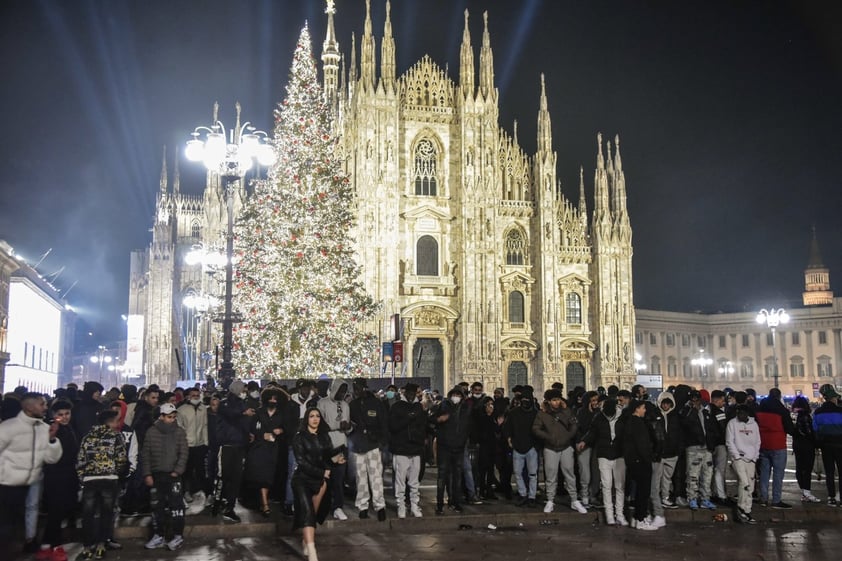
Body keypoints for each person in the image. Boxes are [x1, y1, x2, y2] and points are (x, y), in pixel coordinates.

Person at [0, 393, 62, 555]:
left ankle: (26, 543)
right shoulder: (9, 427)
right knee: (7, 524)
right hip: (7, 484)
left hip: (32, 482)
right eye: (42, 404)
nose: (46, 407)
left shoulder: (43, 429)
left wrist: (52, 440)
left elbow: (51, 458)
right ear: (29, 407)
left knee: (24, 517)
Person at [292, 407, 344, 561]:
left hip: (320, 482)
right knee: (308, 512)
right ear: (306, 419)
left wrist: (336, 460)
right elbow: (301, 462)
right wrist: (322, 472)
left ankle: (305, 541)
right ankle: (312, 550)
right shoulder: (299, 438)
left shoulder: (324, 437)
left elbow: (327, 458)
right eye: (311, 416)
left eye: (318, 416)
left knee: (312, 515)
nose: (315, 419)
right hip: (301, 480)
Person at [76, 410, 128, 560]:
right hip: (109, 479)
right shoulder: (116, 437)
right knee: (106, 513)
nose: (118, 424)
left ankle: (87, 546)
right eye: (116, 421)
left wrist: (83, 477)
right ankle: (101, 545)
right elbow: (121, 458)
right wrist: (115, 472)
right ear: (109, 422)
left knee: (88, 514)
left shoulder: (87, 437)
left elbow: (80, 459)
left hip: (90, 480)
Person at [532, 389, 586, 514]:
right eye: (554, 400)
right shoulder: (542, 414)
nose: (556, 402)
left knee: (569, 474)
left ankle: (574, 499)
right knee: (551, 475)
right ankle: (550, 500)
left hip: (566, 446)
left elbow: (574, 425)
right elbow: (535, 429)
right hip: (550, 447)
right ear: (548, 401)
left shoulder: (566, 411)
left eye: (558, 399)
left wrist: (568, 435)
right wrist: (548, 437)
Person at [38, 400, 79, 561]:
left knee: (58, 513)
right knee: (56, 512)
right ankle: (55, 547)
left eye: (67, 414)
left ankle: (46, 546)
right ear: (53, 415)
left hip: (68, 475)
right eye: (60, 415)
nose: (64, 417)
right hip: (56, 476)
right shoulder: (53, 430)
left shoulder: (69, 429)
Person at [578, 398, 627, 526]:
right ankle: (610, 515)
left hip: (619, 454)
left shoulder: (623, 417)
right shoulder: (599, 417)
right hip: (604, 454)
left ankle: (620, 515)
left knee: (619, 486)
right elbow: (592, 432)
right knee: (606, 485)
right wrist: (584, 441)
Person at [214, 380, 255, 522]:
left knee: (236, 477)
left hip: (239, 445)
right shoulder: (226, 403)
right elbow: (231, 414)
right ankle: (219, 502)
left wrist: (247, 433)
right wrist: (243, 412)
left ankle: (229, 506)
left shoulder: (241, 403)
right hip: (227, 445)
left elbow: (242, 422)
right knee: (224, 476)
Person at [348, 378, 388, 520]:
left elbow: (384, 424)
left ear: (364, 388)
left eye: (358, 388)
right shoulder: (352, 405)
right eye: (354, 388)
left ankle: (380, 506)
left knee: (376, 477)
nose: (356, 391)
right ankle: (363, 506)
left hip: (373, 445)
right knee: (361, 478)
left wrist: (382, 442)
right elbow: (350, 425)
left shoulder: (376, 404)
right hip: (358, 445)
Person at [246, 387, 288, 517]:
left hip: (274, 449)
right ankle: (264, 504)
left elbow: (287, 429)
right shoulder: (258, 413)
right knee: (260, 474)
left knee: (270, 475)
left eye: (275, 399)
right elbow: (251, 429)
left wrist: (281, 431)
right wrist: (261, 434)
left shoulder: (282, 414)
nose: (272, 401)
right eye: (270, 398)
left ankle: (264, 500)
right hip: (259, 448)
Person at [388, 382, 427, 518]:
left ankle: (414, 506)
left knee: (414, 481)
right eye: (409, 393)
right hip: (401, 448)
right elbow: (393, 426)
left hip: (415, 448)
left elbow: (423, 426)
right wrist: (408, 418)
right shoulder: (397, 407)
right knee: (400, 480)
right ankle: (401, 506)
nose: (411, 396)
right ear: (404, 393)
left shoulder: (418, 407)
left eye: (413, 393)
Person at [316, 378, 351, 521]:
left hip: (341, 446)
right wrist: (337, 427)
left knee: (339, 479)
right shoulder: (322, 403)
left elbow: (348, 427)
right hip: (326, 446)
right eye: (340, 390)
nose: (342, 394)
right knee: (324, 479)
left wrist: (348, 427)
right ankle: (322, 506)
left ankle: (338, 507)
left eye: (344, 391)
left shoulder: (345, 405)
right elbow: (319, 425)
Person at [755, 387, 795, 509]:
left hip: (763, 444)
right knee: (778, 474)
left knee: (764, 473)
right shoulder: (782, 411)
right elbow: (790, 429)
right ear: (779, 396)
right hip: (778, 444)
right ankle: (776, 500)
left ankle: (763, 498)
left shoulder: (760, 409)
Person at [434, 386, 472, 514]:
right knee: (442, 476)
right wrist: (439, 420)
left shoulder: (466, 408)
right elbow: (432, 420)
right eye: (454, 394)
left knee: (457, 477)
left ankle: (455, 502)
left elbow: (468, 426)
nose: (456, 397)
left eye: (459, 395)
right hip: (444, 447)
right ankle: (439, 504)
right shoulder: (443, 406)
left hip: (459, 448)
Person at [283, 379, 318, 516]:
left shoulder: (313, 402)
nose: (306, 391)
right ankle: (289, 502)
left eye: (307, 388)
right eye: (303, 389)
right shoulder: (291, 404)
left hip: (309, 443)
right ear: (298, 389)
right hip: (295, 443)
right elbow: (287, 424)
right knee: (293, 473)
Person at [679, 389, 716, 510]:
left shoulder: (705, 412)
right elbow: (685, 425)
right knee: (693, 475)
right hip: (693, 448)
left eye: (697, 399)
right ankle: (692, 498)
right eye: (692, 399)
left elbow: (710, 428)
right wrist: (691, 410)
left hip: (707, 448)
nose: (695, 401)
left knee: (707, 475)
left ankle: (705, 498)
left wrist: (711, 443)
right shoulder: (686, 412)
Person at [624, 400, 658, 530]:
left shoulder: (630, 422)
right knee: (643, 491)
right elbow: (642, 444)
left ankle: (636, 518)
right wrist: (648, 458)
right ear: (637, 409)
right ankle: (640, 519)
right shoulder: (637, 423)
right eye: (643, 408)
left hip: (633, 461)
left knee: (639, 491)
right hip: (641, 461)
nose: (645, 410)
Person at [504, 386, 539, 508]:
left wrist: (536, 445)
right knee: (518, 473)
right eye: (523, 399)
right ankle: (523, 494)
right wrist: (509, 439)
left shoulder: (536, 413)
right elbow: (507, 427)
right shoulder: (514, 413)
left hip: (531, 447)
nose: (525, 401)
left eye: (527, 399)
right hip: (517, 446)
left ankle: (532, 496)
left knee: (532, 473)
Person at [726, 404, 760, 523]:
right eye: (738, 413)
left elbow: (757, 441)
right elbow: (730, 441)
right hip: (738, 458)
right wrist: (736, 456)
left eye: (742, 413)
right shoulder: (732, 423)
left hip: (751, 459)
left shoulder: (754, 424)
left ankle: (747, 509)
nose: (739, 415)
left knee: (750, 485)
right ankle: (741, 509)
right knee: (744, 483)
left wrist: (754, 457)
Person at [177, 387, 209, 507]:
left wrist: (205, 442)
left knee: (201, 470)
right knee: (187, 471)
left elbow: (205, 426)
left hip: (200, 444)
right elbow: (180, 428)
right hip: (188, 445)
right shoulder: (182, 410)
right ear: (188, 396)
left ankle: (203, 491)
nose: (196, 397)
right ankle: (186, 492)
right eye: (193, 395)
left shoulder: (203, 409)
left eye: (197, 394)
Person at [813, 383, 842, 505]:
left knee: (829, 472)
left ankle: (831, 497)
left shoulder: (818, 412)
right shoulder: (840, 411)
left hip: (825, 445)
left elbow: (815, 429)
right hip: (840, 444)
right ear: (833, 398)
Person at [791, 395, 820, 503]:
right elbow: (808, 432)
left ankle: (804, 491)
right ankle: (806, 492)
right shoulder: (805, 416)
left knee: (799, 468)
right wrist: (816, 442)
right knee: (807, 469)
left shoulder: (794, 415)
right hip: (807, 445)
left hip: (797, 445)